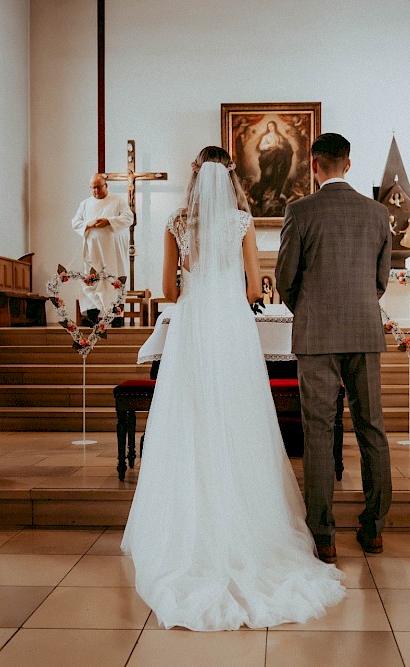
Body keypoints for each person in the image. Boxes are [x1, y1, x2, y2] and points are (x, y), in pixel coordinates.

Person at [121, 146, 345, 631]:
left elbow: (168, 291)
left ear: (196, 177)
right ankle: (249, 520)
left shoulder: (177, 224)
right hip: (231, 329)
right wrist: (229, 291)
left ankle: (188, 523)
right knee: (239, 415)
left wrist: (196, 285)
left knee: (191, 415)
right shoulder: (242, 222)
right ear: (231, 179)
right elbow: (253, 286)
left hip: (193, 327)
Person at [276, 132, 392, 563]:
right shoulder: (377, 212)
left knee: (319, 432)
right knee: (371, 428)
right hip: (363, 330)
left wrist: (309, 308)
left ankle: (324, 536)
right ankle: (374, 529)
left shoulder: (300, 210)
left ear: (314, 164)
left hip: (317, 334)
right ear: (349, 163)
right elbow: (380, 280)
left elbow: (286, 277)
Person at [71, 174, 133, 327]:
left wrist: (109, 221)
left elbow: (128, 218)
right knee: (92, 280)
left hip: (112, 251)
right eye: (93, 188)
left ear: (106, 186)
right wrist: (89, 224)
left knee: (113, 281)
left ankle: (116, 316)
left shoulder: (117, 201)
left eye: (99, 187)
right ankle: (92, 314)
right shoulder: (85, 204)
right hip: (92, 251)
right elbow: (75, 222)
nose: (96, 191)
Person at [249, 120, 294, 216]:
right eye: (269, 126)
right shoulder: (266, 137)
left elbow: (284, 147)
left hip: (277, 160)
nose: (271, 128)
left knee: (276, 175)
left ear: (275, 127)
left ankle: (274, 195)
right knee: (267, 175)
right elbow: (261, 147)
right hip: (269, 158)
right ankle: (265, 195)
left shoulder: (279, 137)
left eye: (272, 126)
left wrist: (280, 146)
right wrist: (270, 145)